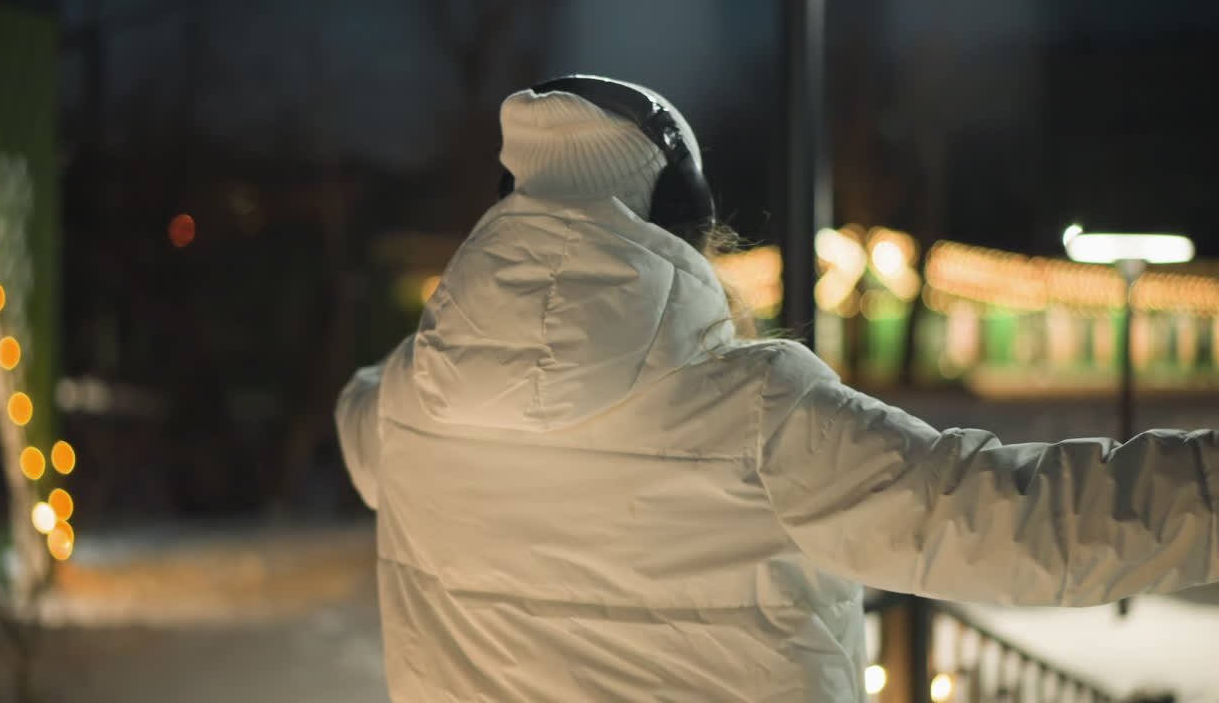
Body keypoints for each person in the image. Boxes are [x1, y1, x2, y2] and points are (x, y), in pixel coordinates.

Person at [336, 75, 1219, 702]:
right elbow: (1022, 523)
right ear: (679, 231)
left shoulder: (408, 405)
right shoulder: (755, 415)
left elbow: (355, 418)